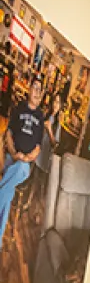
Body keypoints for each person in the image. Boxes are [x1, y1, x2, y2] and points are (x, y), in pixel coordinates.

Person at [0, 79, 47, 244]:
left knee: (18, 169)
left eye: (39, 90)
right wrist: (13, 153)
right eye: (34, 87)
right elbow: (8, 134)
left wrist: (24, 158)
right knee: (7, 192)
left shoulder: (40, 118)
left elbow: (38, 148)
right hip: (10, 158)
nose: (36, 91)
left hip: (25, 165)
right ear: (28, 90)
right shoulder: (19, 108)